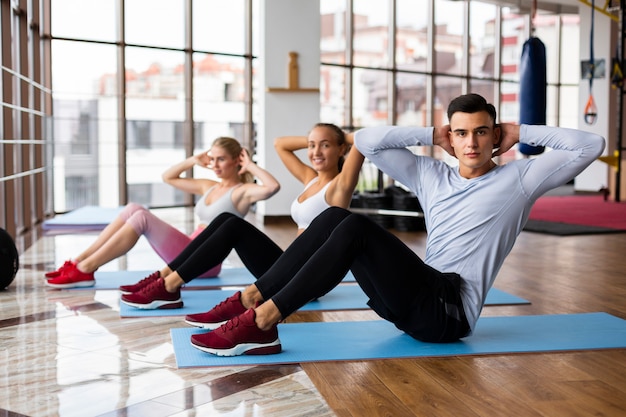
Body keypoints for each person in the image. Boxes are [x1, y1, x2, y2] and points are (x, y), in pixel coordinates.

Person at [185, 93, 606, 356]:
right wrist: (428, 133)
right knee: (334, 216)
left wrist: (520, 130)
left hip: (448, 312)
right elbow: (367, 139)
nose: (472, 143)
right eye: (461, 133)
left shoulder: (519, 179)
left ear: (495, 135)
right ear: (451, 138)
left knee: (352, 227)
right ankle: (253, 298)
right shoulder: (431, 175)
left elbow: (591, 144)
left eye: (482, 132)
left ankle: (262, 321)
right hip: (406, 299)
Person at [119, 123, 365, 311]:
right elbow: (280, 143)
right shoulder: (310, 179)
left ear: (342, 148)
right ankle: (165, 280)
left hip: (309, 277)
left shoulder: (339, 185)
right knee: (228, 220)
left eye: (325, 145)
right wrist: (322, 136)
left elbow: (363, 140)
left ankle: (169, 287)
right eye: (312, 145)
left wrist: (339, 137)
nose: (315, 151)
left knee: (232, 227)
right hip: (290, 266)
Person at [45, 137, 280, 289]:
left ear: (236, 161)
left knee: (141, 218)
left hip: (205, 263)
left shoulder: (242, 192)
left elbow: (272, 187)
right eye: (212, 159)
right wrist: (193, 160)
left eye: (221, 159)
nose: (215, 165)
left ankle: (87, 269)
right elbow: (168, 177)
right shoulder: (209, 186)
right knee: (133, 209)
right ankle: (79, 262)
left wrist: (249, 165)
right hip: (189, 248)